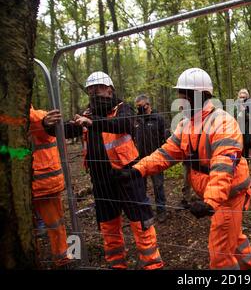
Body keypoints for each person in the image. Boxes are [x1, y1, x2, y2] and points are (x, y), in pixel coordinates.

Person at [117, 68, 251, 270]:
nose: (180, 101)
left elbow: (223, 166)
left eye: (183, 96)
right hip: (216, 196)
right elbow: (166, 153)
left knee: (220, 256)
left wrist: (210, 201)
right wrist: (138, 170)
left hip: (228, 196)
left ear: (198, 96)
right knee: (234, 239)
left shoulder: (223, 122)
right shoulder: (186, 124)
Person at [43, 71, 163, 270]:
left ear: (109, 89)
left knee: (140, 222)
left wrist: (93, 123)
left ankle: (152, 265)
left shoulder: (122, 108)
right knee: (108, 226)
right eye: (90, 89)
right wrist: (47, 126)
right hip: (100, 181)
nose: (93, 93)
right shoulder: (87, 113)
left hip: (127, 176)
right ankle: (117, 265)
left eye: (97, 88)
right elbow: (68, 129)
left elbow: (123, 124)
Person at [29, 105, 71, 267]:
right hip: (35, 183)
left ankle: (62, 259)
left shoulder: (37, 116)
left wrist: (45, 123)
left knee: (55, 224)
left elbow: (44, 126)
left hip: (43, 184)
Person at [134, 94, 168, 223]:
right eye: (137, 107)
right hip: (140, 159)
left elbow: (165, 138)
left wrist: (163, 155)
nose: (139, 109)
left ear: (148, 105)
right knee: (141, 186)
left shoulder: (158, 118)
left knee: (158, 185)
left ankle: (161, 210)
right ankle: (145, 212)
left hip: (156, 158)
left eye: (141, 106)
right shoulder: (136, 120)